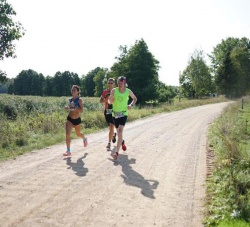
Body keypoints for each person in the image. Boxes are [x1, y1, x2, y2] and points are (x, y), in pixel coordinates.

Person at [108, 76, 137, 160]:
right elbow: (110, 101)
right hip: (115, 114)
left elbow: (135, 99)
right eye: (119, 83)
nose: (120, 84)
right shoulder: (114, 90)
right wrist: (110, 100)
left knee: (120, 132)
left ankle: (116, 153)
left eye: (122, 83)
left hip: (124, 114)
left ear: (124, 83)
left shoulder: (128, 91)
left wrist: (131, 105)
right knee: (118, 133)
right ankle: (122, 142)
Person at [63, 85, 87, 156]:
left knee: (78, 134)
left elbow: (81, 110)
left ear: (78, 92)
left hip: (77, 120)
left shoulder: (79, 100)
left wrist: (75, 107)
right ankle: (68, 151)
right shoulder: (70, 100)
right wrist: (68, 108)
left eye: (74, 90)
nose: (73, 91)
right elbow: (71, 109)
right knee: (67, 134)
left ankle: (84, 138)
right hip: (70, 119)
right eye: (72, 90)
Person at [100, 78, 116, 149]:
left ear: (114, 84)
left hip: (114, 110)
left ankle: (109, 143)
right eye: (109, 83)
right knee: (110, 127)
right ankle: (113, 135)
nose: (110, 84)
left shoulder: (117, 91)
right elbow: (100, 101)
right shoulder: (105, 92)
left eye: (111, 83)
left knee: (112, 126)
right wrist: (107, 100)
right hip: (107, 110)